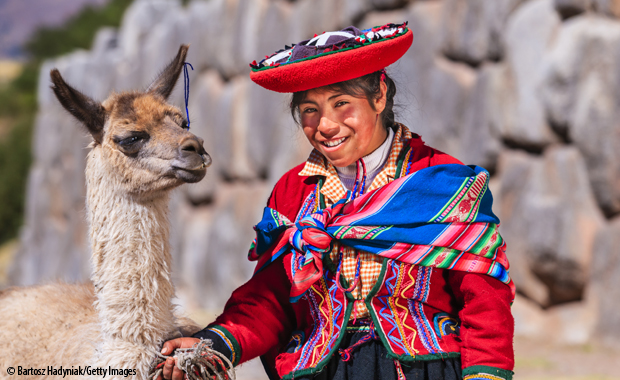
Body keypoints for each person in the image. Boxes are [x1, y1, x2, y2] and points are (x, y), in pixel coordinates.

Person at [159, 22, 514, 380]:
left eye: (341, 103)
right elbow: (270, 299)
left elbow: (484, 303)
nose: (325, 125)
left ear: (379, 96)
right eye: (310, 110)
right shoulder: (294, 192)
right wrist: (213, 345)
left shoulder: (443, 183)